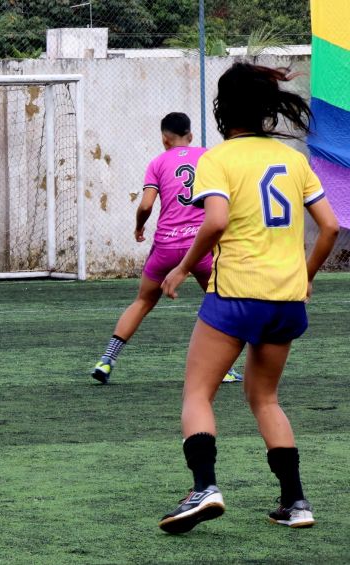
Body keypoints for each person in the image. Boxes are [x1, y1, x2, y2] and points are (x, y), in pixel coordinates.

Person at [157, 62, 339, 534]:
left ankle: (204, 488)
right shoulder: (294, 159)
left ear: (224, 108)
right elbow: (332, 228)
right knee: (265, 398)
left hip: (236, 293)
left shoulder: (217, 159)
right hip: (286, 299)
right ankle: (296, 502)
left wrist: (180, 267)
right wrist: (305, 275)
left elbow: (215, 222)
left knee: (198, 392)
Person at [91, 112, 243, 385]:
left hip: (165, 247)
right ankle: (225, 369)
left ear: (164, 139)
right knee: (220, 302)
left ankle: (106, 360)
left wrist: (139, 227)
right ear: (191, 136)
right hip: (200, 247)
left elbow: (147, 205)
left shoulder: (157, 162)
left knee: (142, 302)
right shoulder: (209, 157)